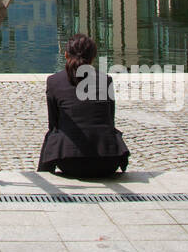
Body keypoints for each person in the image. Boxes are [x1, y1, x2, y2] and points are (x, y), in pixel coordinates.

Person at [38, 34, 129, 178]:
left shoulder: (54, 81)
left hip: (69, 161)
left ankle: (42, 174)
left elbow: (53, 124)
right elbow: (109, 121)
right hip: (108, 161)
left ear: (66, 54)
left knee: (53, 133)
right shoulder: (105, 80)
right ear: (93, 58)